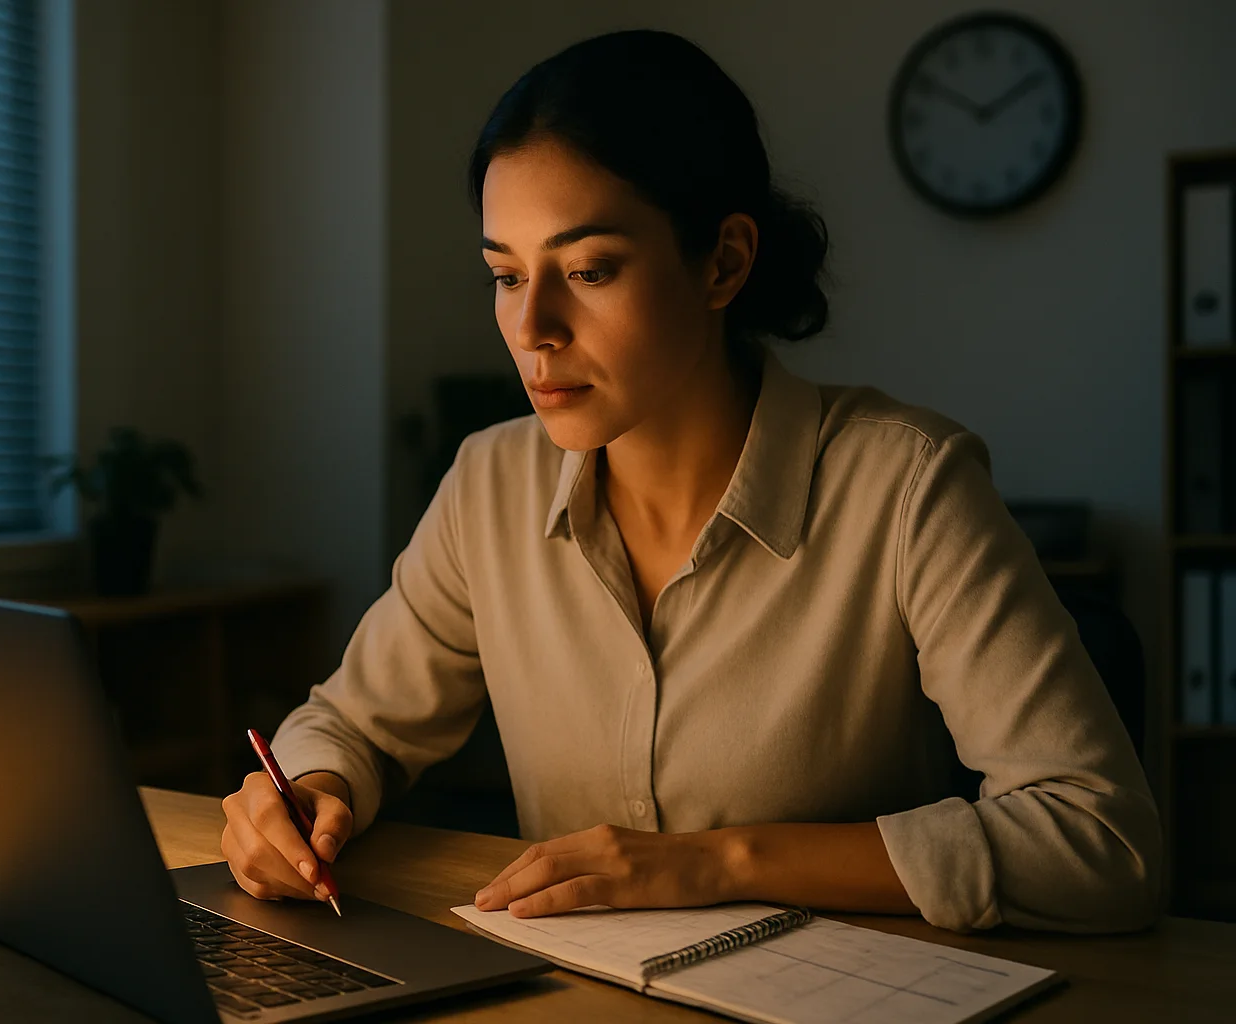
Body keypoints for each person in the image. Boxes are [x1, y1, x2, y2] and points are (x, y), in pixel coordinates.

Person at [220, 29, 1159, 934]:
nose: (532, 328)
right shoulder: (490, 484)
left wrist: (720, 862)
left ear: (724, 262)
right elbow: (354, 724)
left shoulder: (909, 487)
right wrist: (308, 793)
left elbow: (1104, 840)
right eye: (506, 276)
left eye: (589, 269)